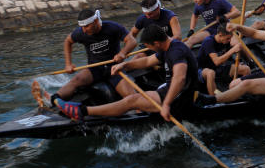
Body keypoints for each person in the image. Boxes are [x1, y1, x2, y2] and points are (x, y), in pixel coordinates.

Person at [54, 25, 198, 122]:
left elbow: (179, 79)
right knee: (136, 97)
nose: (150, 49)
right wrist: (125, 65)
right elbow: (148, 61)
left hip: (182, 95)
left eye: (149, 46)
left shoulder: (176, 51)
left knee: (131, 101)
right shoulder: (167, 47)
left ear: (156, 43)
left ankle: (82, 111)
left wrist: (166, 105)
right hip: (170, 88)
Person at [38, 9, 138, 109]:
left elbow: (132, 41)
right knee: (76, 79)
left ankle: (139, 109)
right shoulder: (81, 33)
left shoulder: (112, 27)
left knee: (131, 97)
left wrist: (122, 53)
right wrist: (68, 64)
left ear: (95, 21)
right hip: (94, 68)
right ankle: (52, 100)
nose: (84, 30)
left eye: (86, 26)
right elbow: (68, 41)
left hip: (114, 68)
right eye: (82, 27)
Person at [197, 25, 250, 95]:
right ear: (220, 35)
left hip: (218, 68)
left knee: (246, 69)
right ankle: (214, 99)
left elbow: (226, 58)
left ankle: (242, 93)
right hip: (202, 69)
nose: (229, 40)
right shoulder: (208, 42)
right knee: (210, 73)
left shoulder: (225, 41)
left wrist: (239, 49)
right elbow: (217, 62)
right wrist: (233, 50)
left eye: (230, 38)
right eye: (228, 38)